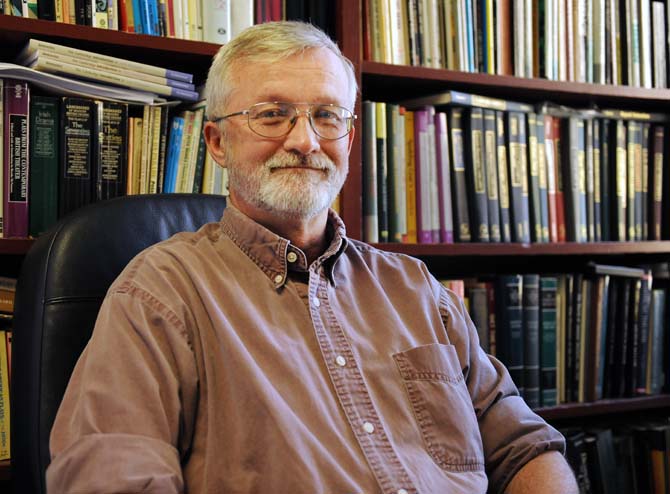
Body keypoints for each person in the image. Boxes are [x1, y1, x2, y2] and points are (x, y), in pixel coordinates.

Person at [47, 21, 579, 494]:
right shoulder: (161, 294)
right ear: (216, 142)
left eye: (327, 115)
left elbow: (524, 447)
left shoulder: (415, 288)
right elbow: (112, 475)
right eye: (272, 115)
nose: (305, 141)